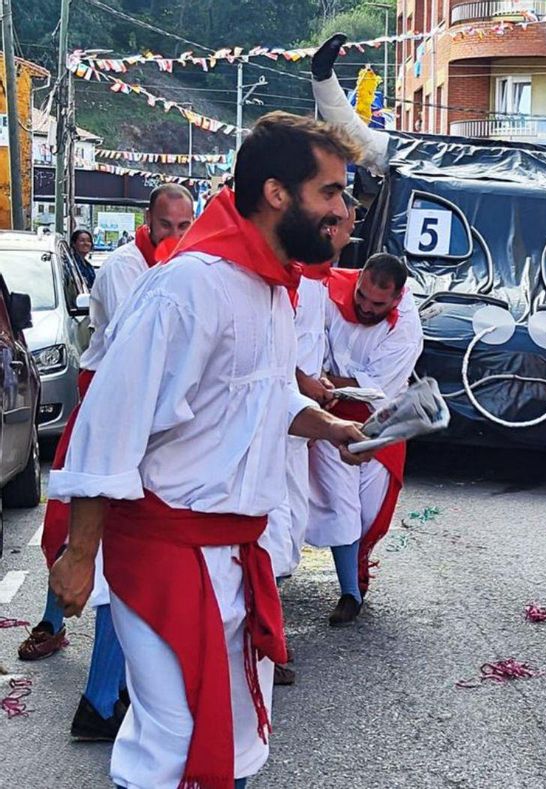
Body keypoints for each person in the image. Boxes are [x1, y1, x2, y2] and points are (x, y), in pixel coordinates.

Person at [47, 112, 373, 789]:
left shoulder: (275, 289)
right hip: (167, 554)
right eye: (332, 193)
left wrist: (331, 426)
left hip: (235, 554)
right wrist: (79, 556)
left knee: (235, 737)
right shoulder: (188, 286)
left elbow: (263, 400)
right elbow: (109, 423)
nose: (342, 210)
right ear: (278, 192)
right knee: (171, 738)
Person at [20, 184, 196, 741]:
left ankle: (103, 694)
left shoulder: (179, 267)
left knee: (120, 549)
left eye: (185, 225)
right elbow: (141, 348)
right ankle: (87, 677)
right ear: (148, 223)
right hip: (113, 402)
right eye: (167, 225)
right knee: (83, 531)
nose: (176, 236)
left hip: (141, 410)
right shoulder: (125, 268)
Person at [260, 192, 358, 685]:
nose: (344, 236)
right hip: (271, 426)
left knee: (290, 525)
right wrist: (311, 390)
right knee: (273, 530)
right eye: (339, 225)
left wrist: (325, 402)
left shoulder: (320, 281)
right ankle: (263, 644)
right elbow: (278, 365)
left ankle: (263, 640)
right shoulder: (282, 277)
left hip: (299, 421)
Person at [307, 253, 423, 627]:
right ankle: (350, 591)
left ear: (397, 297)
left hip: (381, 419)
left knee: (370, 513)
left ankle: (355, 572)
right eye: (361, 298)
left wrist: (326, 381)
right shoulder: (327, 290)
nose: (366, 308)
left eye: (378, 304)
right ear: (358, 282)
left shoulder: (406, 327)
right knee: (341, 505)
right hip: (328, 415)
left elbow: (373, 386)